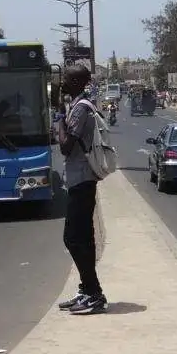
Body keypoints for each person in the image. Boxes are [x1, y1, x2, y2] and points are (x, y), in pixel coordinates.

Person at [54, 65, 107, 315]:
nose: (62, 82)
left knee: (73, 238)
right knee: (82, 237)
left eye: (66, 78)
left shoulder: (81, 108)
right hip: (78, 179)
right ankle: (87, 289)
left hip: (82, 179)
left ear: (77, 82)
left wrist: (58, 121)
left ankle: (94, 293)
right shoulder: (76, 105)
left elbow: (66, 147)